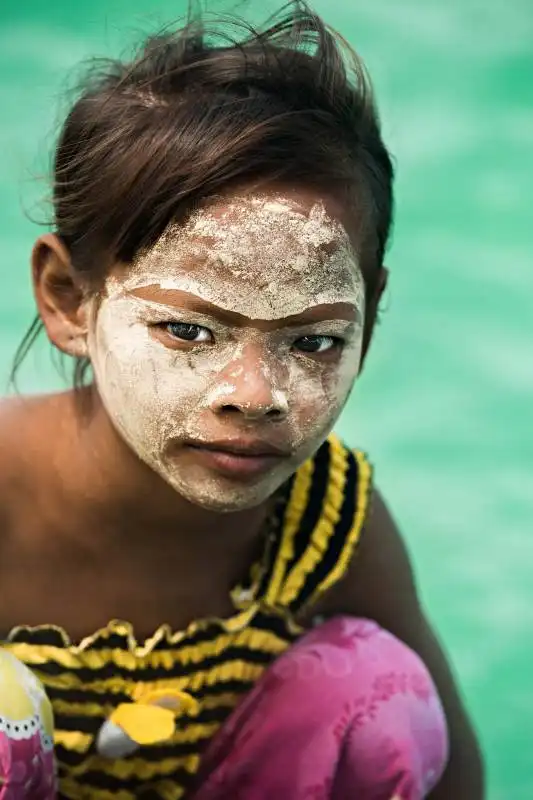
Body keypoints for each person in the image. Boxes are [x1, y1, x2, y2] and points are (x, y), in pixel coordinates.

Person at [0, 1, 484, 797]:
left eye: (314, 341)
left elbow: (456, 779)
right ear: (67, 298)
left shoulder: (327, 527)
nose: (255, 397)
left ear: (370, 311)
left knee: (376, 694)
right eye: (189, 332)